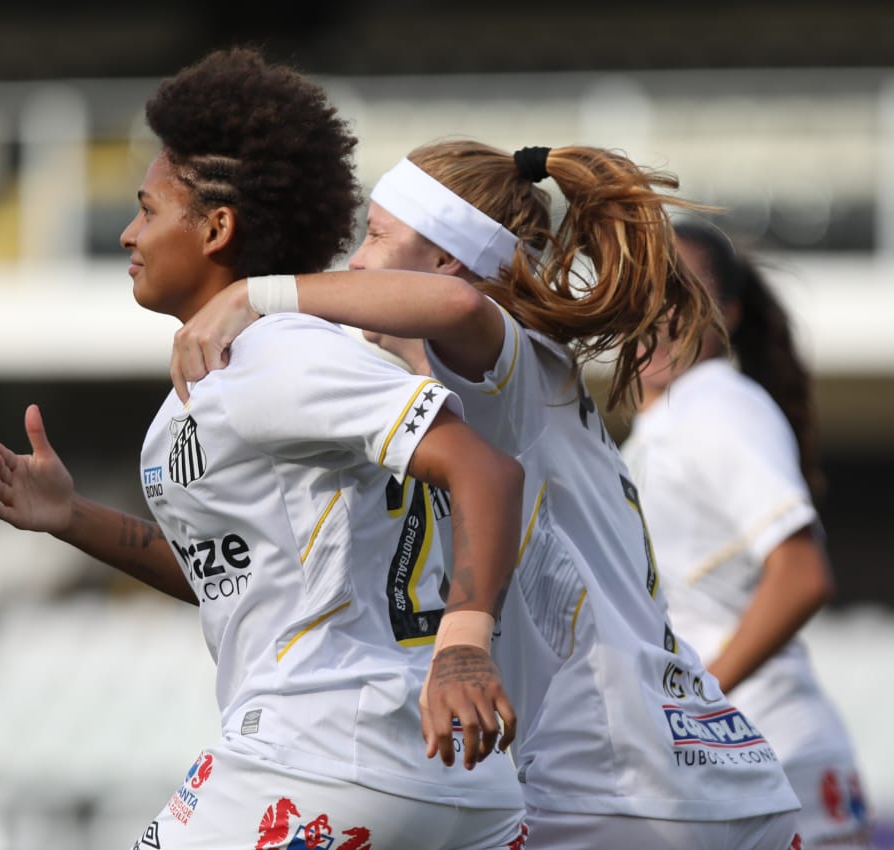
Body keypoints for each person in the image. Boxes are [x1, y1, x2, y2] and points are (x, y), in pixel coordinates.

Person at [170, 140, 804, 848]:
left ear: (447, 257)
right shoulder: (532, 379)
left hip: (613, 786)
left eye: (377, 236)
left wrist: (255, 292)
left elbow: (460, 306)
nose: (356, 261)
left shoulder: (503, 364)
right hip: (723, 774)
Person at [0, 50, 529, 850]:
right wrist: (72, 518)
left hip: (323, 753)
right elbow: (233, 578)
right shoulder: (230, 376)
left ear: (216, 228)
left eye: (146, 208)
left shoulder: (285, 352)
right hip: (451, 779)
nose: (130, 232)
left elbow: (485, 470)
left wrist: (465, 647)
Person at [619, 218, 872, 848]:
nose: (657, 311)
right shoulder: (658, 430)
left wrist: (690, 708)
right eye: (641, 289)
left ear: (725, 314)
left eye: (681, 293)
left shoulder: (714, 405)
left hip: (770, 759)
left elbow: (803, 574)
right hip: (740, 765)